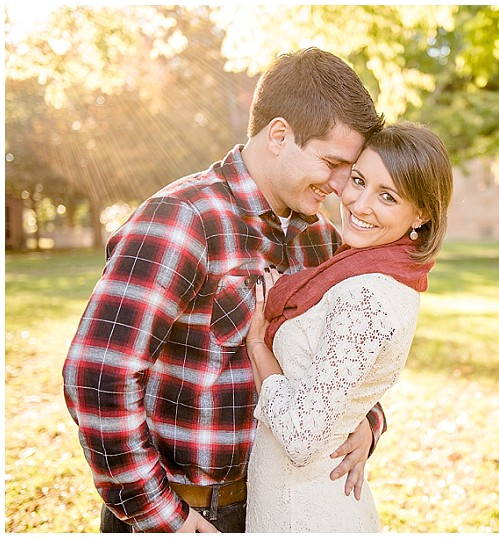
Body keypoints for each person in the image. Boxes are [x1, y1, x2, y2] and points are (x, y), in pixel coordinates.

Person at [62, 48, 386, 533]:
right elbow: (98, 376)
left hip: (280, 506)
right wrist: (161, 516)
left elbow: (341, 359)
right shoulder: (183, 219)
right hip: (191, 512)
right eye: (332, 163)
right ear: (279, 135)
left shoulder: (323, 238)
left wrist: (368, 420)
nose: (343, 187)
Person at [244, 122, 454, 532]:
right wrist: (364, 422)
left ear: (422, 214)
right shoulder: (371, 269)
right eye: (358, 180)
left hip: (302, 512)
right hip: (300, 500)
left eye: (387, 196)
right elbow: (339, 385)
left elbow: (300, 437)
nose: (358, 204)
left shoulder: (367, 295)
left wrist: (257, 347)